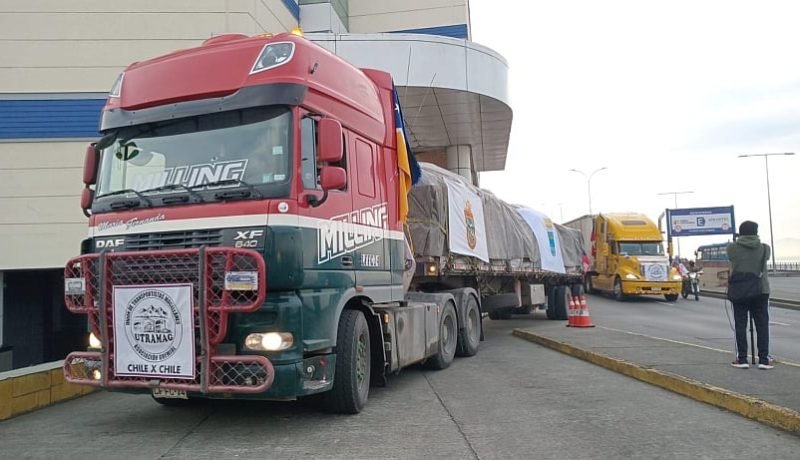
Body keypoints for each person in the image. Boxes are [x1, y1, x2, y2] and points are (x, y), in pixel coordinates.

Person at [727, 220, 772, 370]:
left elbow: (732, 258)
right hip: (760, 290)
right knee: (762, 325)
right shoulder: (765, 248)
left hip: (740, 291)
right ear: (756, 232)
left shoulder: (732, 248)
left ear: (741, 232)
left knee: (740, 324)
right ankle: (764, 360)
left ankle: (742, 359)